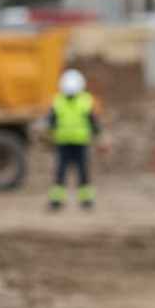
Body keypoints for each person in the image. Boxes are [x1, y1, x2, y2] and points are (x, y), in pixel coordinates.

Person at [47, 68, 101, 210]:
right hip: (64, 143)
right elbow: (51, 122)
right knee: (61, 172)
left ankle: (86, 200)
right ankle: (57, 201)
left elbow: (93, 122)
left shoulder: (85, 100)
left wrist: (99, 135)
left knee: (82, 172)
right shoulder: (59, 101)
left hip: (79, 143)